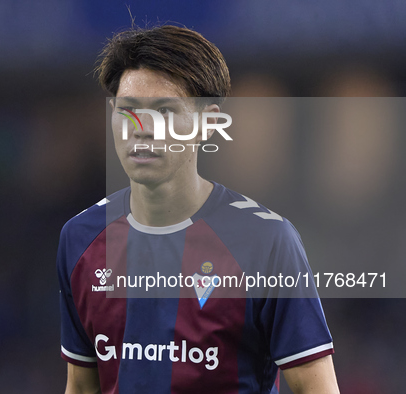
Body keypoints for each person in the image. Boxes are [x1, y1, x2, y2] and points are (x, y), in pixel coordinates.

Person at [57, 25, 339, 394]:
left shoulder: (266, 241)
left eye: (165, 111)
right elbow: (81, 386)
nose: (142, 128)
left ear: (208, 124)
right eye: (128, 111)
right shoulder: (80, 239)